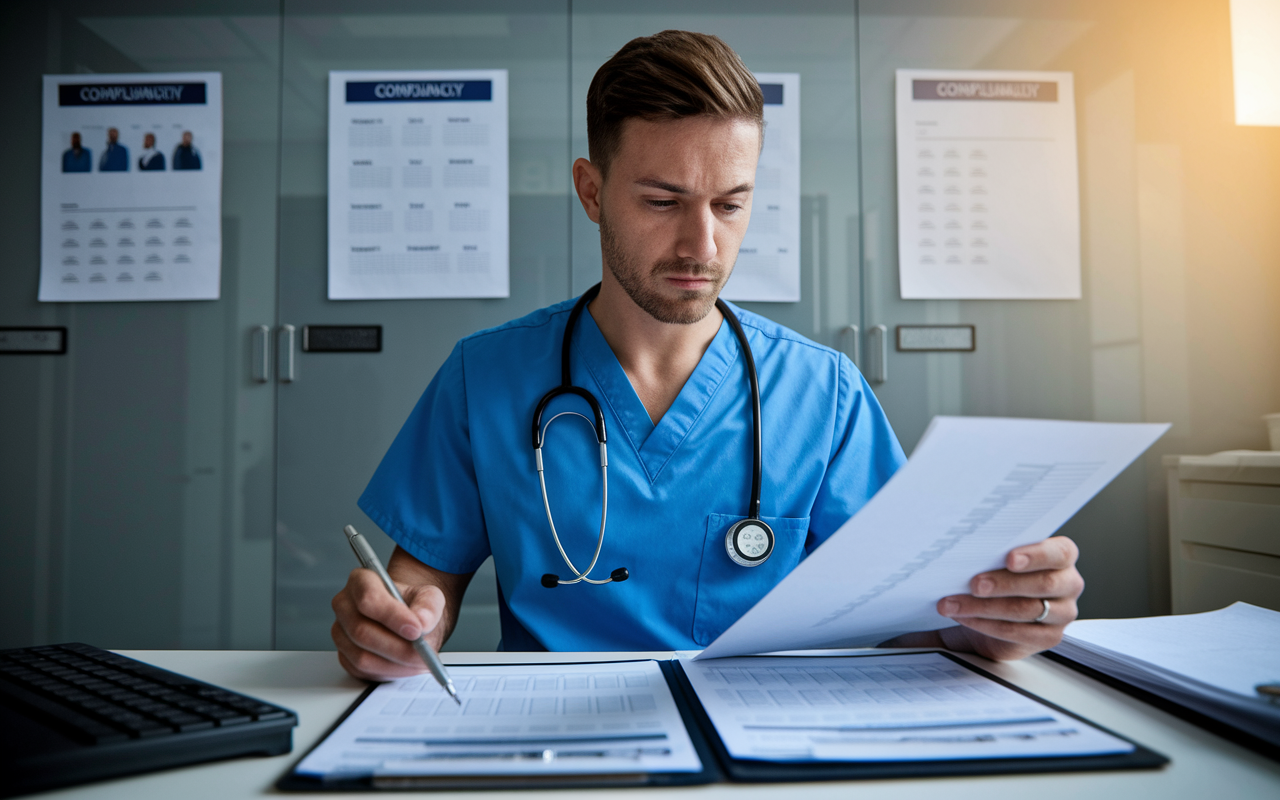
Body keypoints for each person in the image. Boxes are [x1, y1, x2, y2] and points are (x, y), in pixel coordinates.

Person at [331, 30, 1085, 681]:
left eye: (730, 203)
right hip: (557, 746)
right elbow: (424, 580)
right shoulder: (485, 378)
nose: (703, 246)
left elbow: (914, 617)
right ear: (591, 192)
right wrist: (401, 626)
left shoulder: (824, 394)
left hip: (767, 742)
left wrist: (988, 620)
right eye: (662, 202)